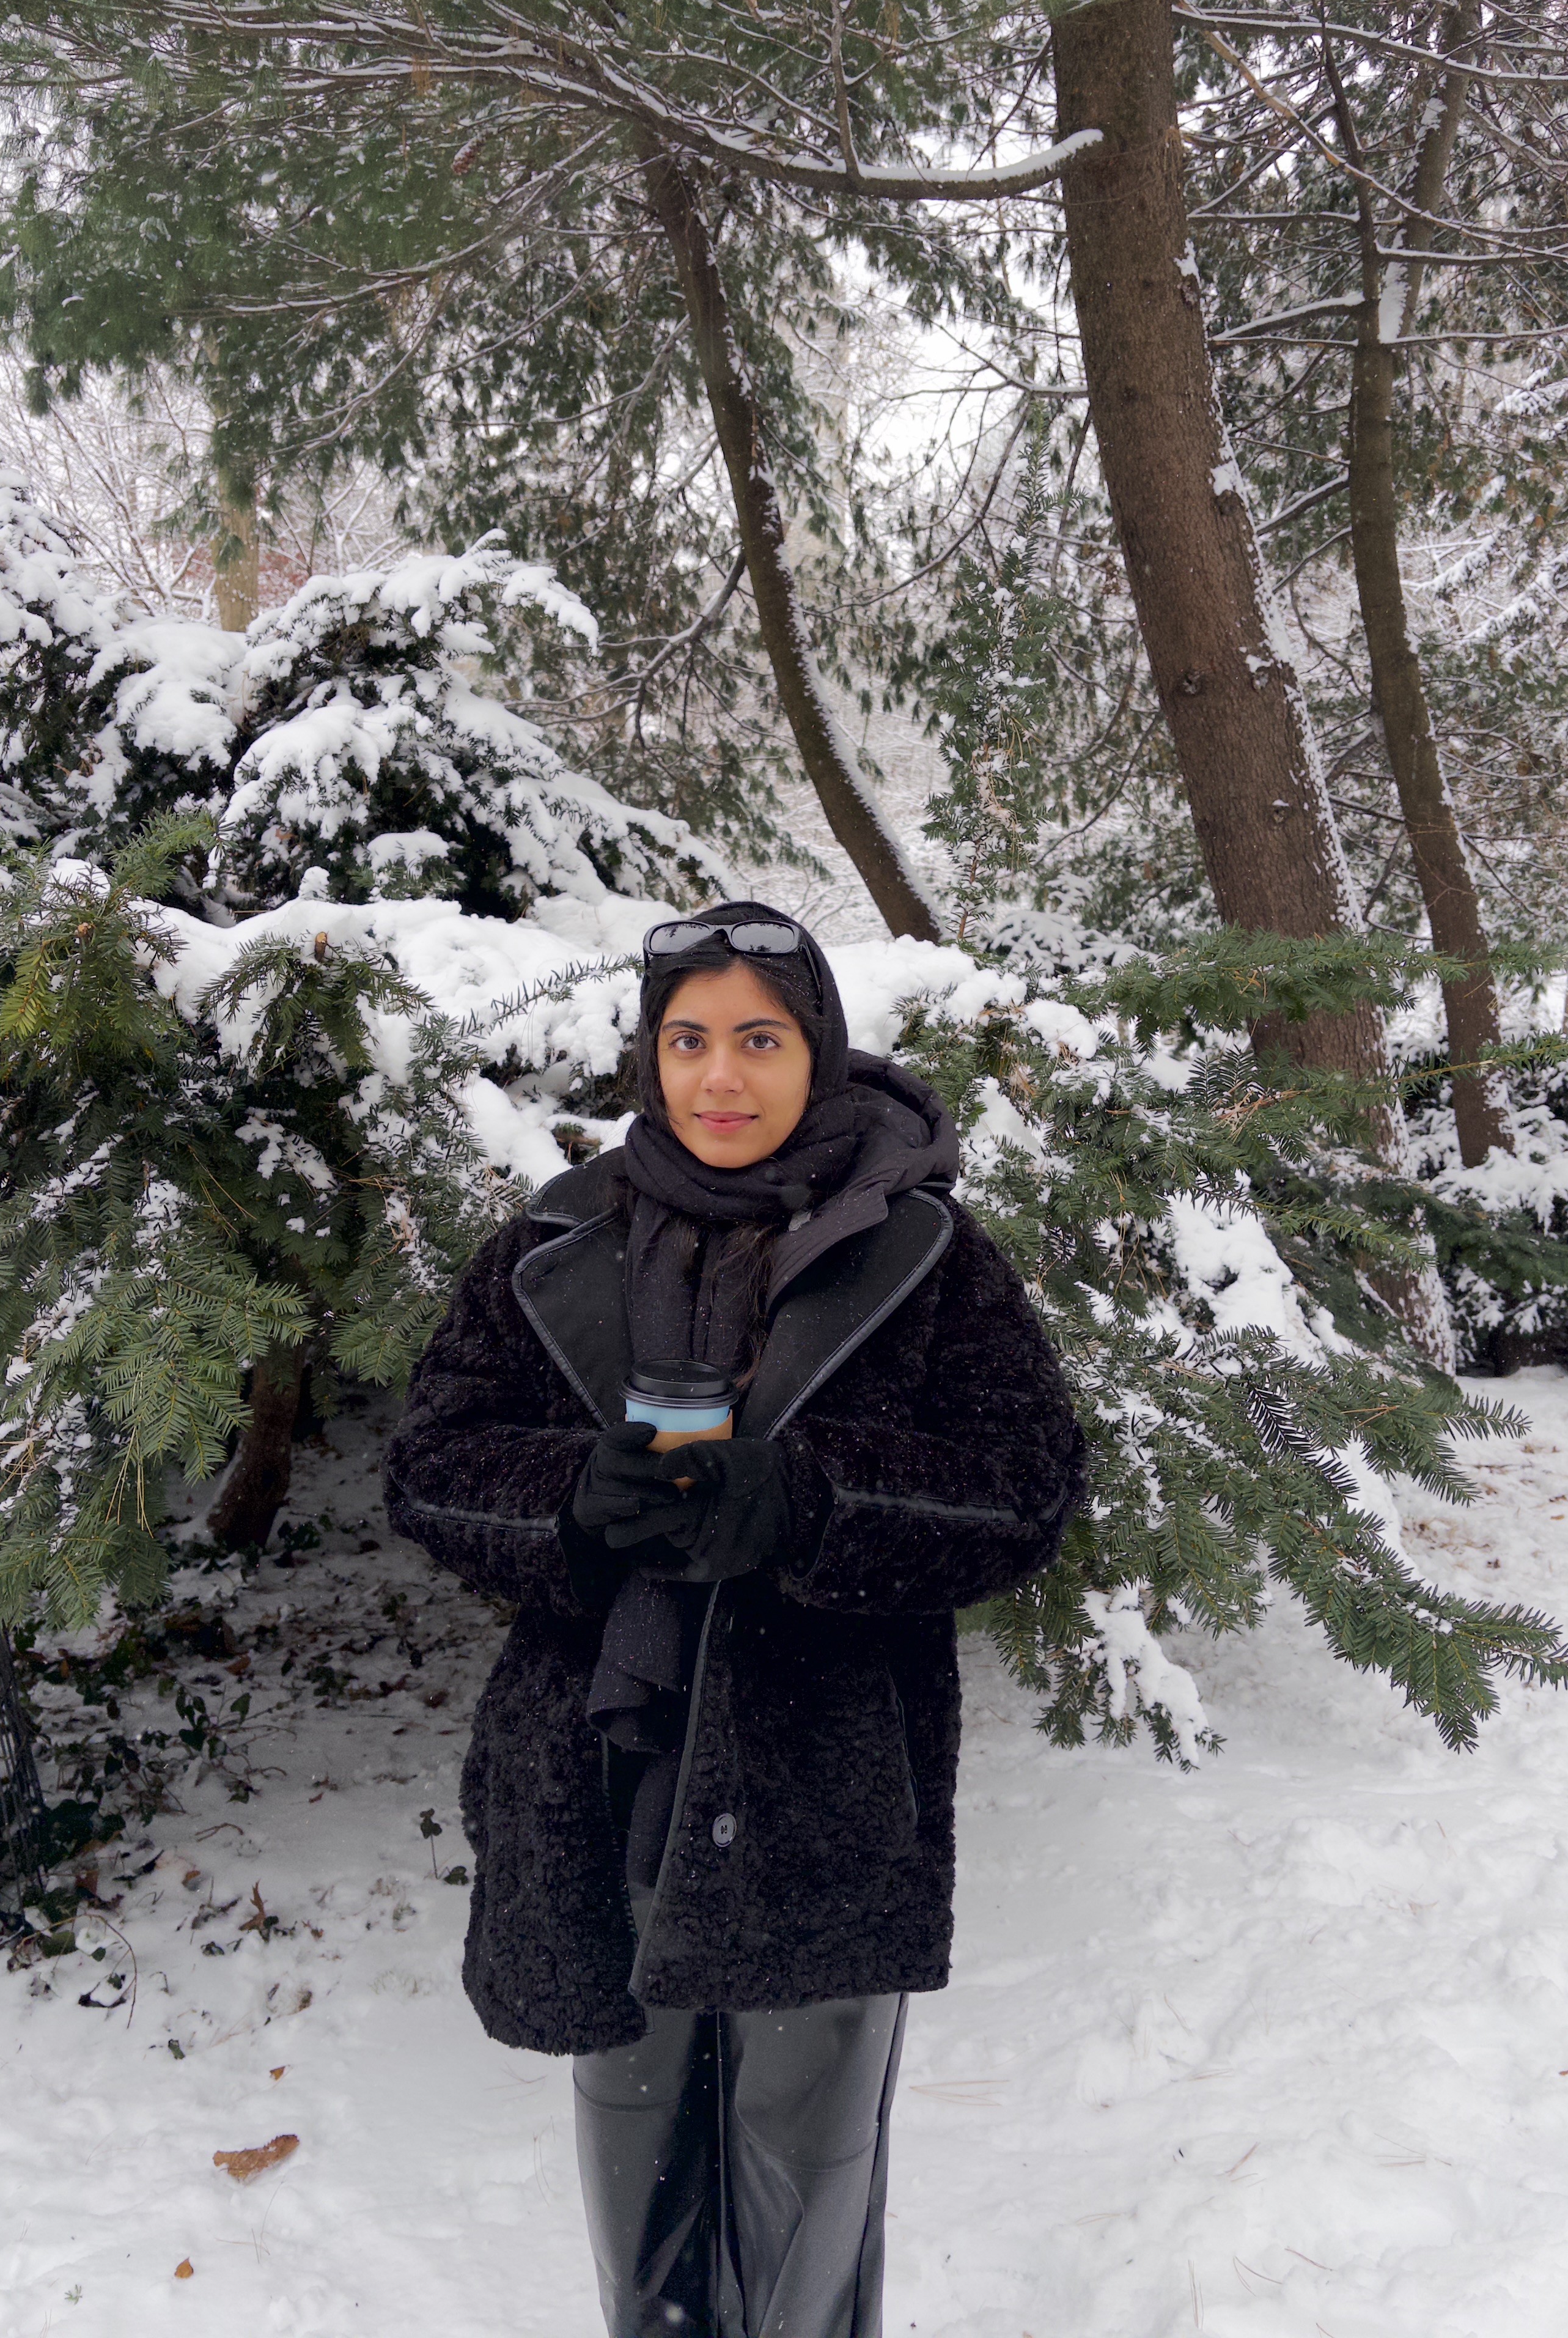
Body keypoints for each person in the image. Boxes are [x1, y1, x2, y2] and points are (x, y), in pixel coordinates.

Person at [384, 901, 1089, 2338]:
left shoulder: (924, 1254)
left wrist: (807, 1501)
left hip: (821, 1788)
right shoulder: (557, 1243)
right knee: (636, 2166)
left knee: (802, 2181)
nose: (721, 1076)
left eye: (760, 1041)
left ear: (816, 1051)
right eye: (689, 1039)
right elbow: (432, 1464)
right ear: (650, 1057)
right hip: (606, 1772)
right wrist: (568, 1501)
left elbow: (1027, 1488)